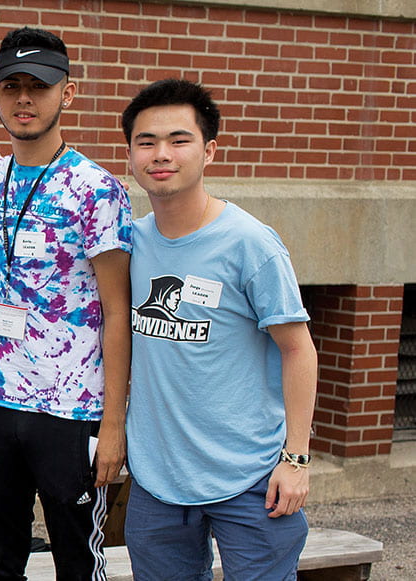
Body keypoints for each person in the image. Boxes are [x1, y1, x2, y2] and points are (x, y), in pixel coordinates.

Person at [121, 78, 317, 580]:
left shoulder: (250, 244)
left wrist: (295, 457)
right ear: (130, 155)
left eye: (178, 140)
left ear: (209, 150)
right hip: (158, 483)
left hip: (250, 478)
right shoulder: (130, 244)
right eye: (146, 142)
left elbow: (298, 350)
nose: (161, 154)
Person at [0, 27, 132, 580]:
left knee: (78, 562)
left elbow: (118, 312)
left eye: (40, 86)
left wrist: (114, 425)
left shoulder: (96, 189)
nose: (25, 99)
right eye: (12, 86)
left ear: (68, 93)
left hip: (68, 407)